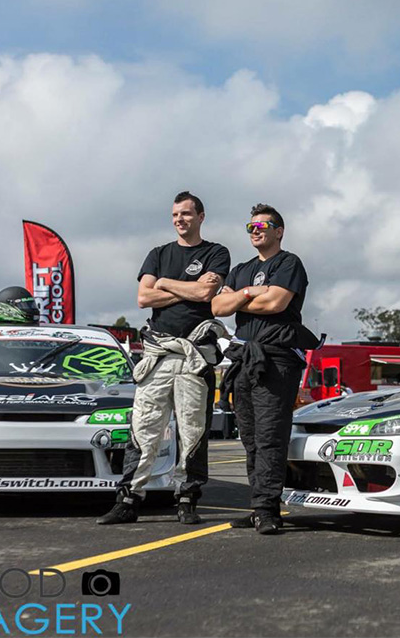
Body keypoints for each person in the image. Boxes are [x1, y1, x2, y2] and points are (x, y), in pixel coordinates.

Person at [97, 191, 230, 526]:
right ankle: (129, 500)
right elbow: (144, 297)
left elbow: (206, 292)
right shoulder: (157, 254)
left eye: (186, 214)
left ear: (201, 216)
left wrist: (166, 284)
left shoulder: (216, 253)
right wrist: (187, 287)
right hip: (157, 355)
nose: (179, 220)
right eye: (175, 215)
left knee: (193, 432)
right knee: (143, 428)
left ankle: (187, 500)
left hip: (194, 356)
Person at [212, 203, 319, 535]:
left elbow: (276, 303)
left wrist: (241, 299)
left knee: (271, 436)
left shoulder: (289, 263)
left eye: (262, 226)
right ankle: (258, 505)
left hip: (277, 360)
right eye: (251, 227)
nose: (255, 231)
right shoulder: (241, 270)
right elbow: (218, 306)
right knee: (250, 438)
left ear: (279, 231)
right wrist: (250, 291)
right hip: (244, 358)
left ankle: (268, 510)